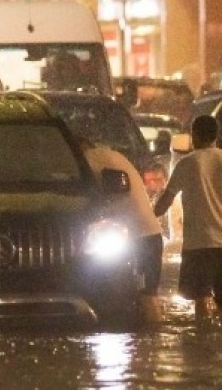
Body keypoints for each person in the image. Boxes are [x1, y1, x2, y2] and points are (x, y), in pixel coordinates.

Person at [153, 114, 222, 320]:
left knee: (200, 298)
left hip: (198, 243)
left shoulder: (187, 163)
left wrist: (150, 214)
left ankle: (203, 341)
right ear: (216, 136)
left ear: (195, 135)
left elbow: (166, 201)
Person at [81, 138, 166, 324]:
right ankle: (151, 343)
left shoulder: (87, 160)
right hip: (150, 235)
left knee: (145, 296)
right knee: (148, 295)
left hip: (138, 238)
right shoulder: (113, 155)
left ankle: (153, 338)